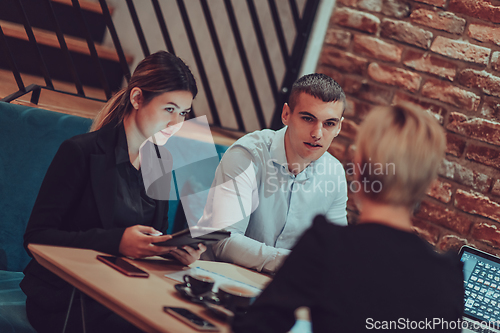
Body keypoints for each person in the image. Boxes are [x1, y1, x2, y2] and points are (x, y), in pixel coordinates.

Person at [232, 104, 465, 332]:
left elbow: (256, 327)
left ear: (358, 169)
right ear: (428, 183)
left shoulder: (325, 246)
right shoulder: (448, 275)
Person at [21, 51, 206, 333]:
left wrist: (173, 251)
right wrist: (116, 241)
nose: (176, 123)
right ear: (136, 98)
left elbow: (156, 235)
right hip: (69, 295)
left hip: (125, 290)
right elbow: (37, 236)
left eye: (183, 113)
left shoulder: (160, 162)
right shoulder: (80, 151)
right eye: (169, 109)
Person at [198, 73, 348, 274]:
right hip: (215, 280)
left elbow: (334, 251)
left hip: (282, 291)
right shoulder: (247, 155)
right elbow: (223, 241)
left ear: (339, 127)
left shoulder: (335, 173)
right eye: (307, 118)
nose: (317, 134)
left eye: (329, 123)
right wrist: (293, 263)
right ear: (286, 114)